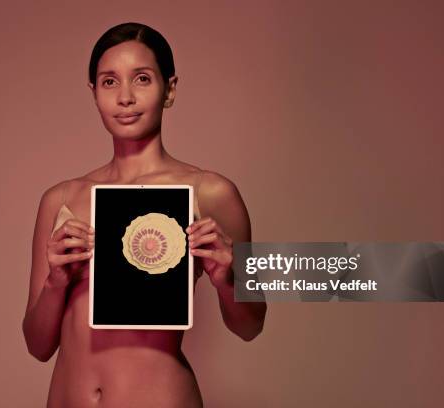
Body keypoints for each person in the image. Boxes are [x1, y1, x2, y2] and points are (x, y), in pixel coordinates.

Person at [22, 22, 267, 408]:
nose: (125, 97)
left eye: (141, 79)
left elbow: (251, 325)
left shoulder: (211, 192)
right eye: (109, 82)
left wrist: (227, 278)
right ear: (93, 93)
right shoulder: (61, 199)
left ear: (169, 89)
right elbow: (37, 346)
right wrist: (56, 282)